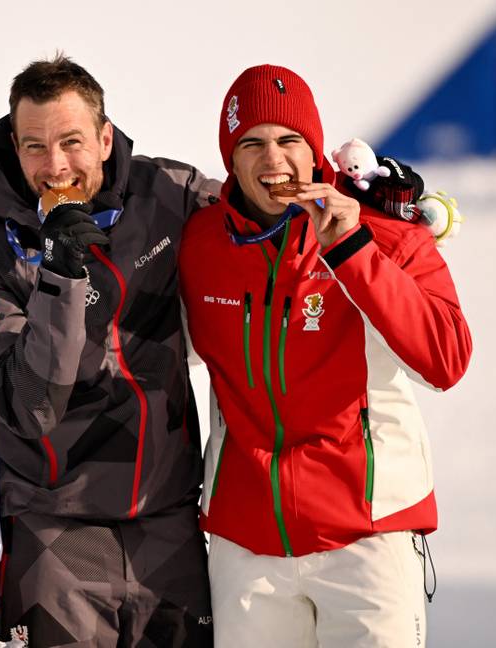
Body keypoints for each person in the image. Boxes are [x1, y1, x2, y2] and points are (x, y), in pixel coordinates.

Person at [179, 64, 472, 647]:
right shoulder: (201, 243)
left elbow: (446, 359)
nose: (273, 161)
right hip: (247, 543)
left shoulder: (385, 234)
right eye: (252, 144)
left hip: (366, 537)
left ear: (315, 152)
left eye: (289, 141)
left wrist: (351, 251)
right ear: (229, 160)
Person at [0, 55, 218, 647]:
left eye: (72, 142)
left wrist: (391, 216)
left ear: (103, 138)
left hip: (168, 523)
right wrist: (60, 276)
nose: (56, 166)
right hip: (54, 534)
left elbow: (264, 218)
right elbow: (26, 407)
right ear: (14, 149)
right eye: (35, 147)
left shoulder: (168, 194)